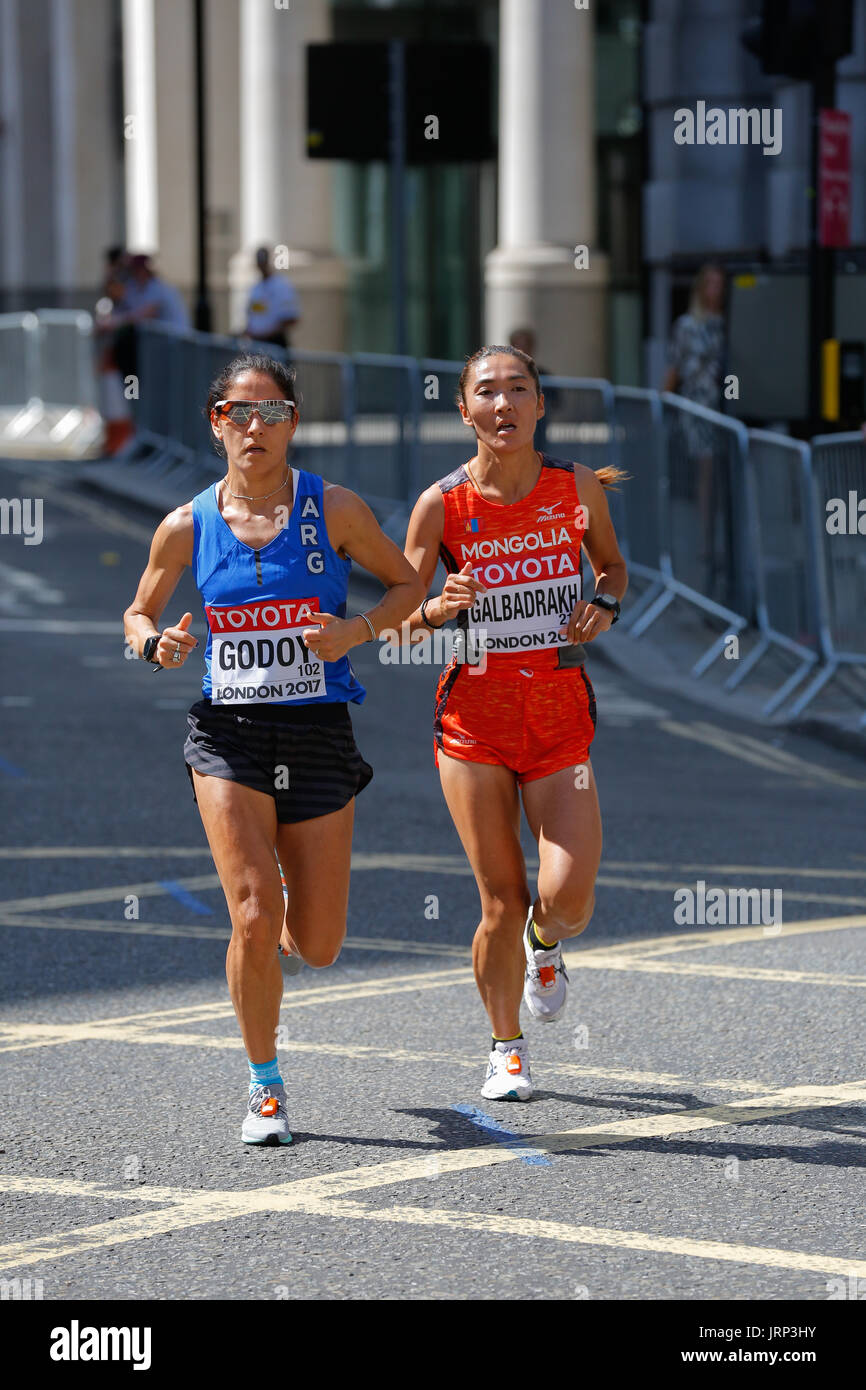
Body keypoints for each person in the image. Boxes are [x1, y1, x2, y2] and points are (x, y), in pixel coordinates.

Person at [122, 352, 425, 1145]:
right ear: (215, 424)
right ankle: (264, 1086)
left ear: (294, 423)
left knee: (318, 944)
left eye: (273, 413)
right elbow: (138, 614)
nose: (255, 428)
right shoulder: (186, 524)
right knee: (254, 914)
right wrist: (157, 646)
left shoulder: (338, 509)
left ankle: (288, 896)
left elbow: (408, 587)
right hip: (229, 735)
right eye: (238, 414)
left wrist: (353, 631)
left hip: (319, 730)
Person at [402, 344, 628, 1101]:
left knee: (568, 896)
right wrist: (439, 607)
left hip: (560, 716)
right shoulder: (442, 506)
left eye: (519, 390)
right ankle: (505, 1047)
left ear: (539, 405)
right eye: (488, 393)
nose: (504, 406)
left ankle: (547, 943)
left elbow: (613, 569)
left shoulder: (576, 487)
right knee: (498, 897)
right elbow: (398, 623)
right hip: (473, 722)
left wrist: (605, 604)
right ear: (464, 410)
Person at [662, 262, 731, 603]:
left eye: (720, 283)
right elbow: (675, 366)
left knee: (724, 472)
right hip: (698, 407)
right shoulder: (688, 326)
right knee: (705, 470)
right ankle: (706, 541)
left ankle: (722, 537)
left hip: (727, 407)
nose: (715, 290)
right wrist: (663, 402)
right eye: (711, 283)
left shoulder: (731, 324)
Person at [243, 247, 301, 351]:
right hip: (257, 343)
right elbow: (252, 314)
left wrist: (267, 333)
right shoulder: (256, 287)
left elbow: (291, 318)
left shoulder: (281, 285)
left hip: (274, 344)